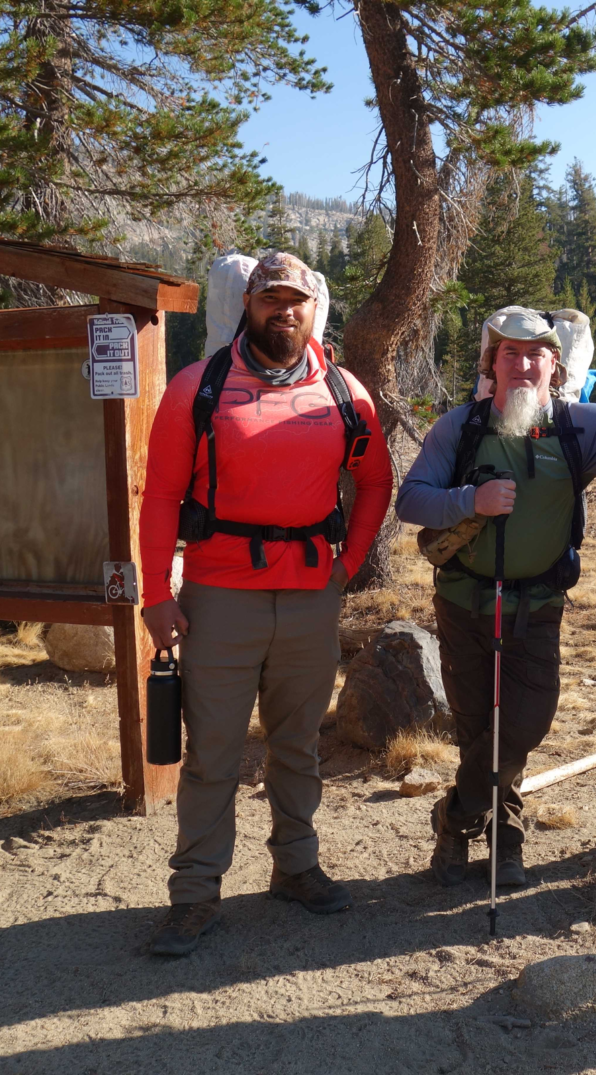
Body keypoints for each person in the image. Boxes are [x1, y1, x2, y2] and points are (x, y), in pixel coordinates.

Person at [138, 253, 394, 956]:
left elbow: (375, 480)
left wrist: (346, 565)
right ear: (248, 304)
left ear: (316, 309)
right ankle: (194, 893)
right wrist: (156, 593)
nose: (284, 310)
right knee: (213, 751)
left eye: (296, 300)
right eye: (269, 298)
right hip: (219, 598)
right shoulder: (199, 387)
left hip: (312, 597)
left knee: (298, 744)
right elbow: (160, 494)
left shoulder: (345, 392)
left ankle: (296, 865)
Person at [396, 306, 596, 887]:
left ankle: (456, 815)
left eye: (536, 355)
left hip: (537, 607)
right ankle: (507, 841)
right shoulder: (459, 427)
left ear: (555, 365)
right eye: (510, 354)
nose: (523, 365)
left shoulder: (578, 424)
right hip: (463, 604)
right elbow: (411, 502)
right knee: (478, 728)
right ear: (492, 364)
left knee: (524, 724)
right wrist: (468, 502)